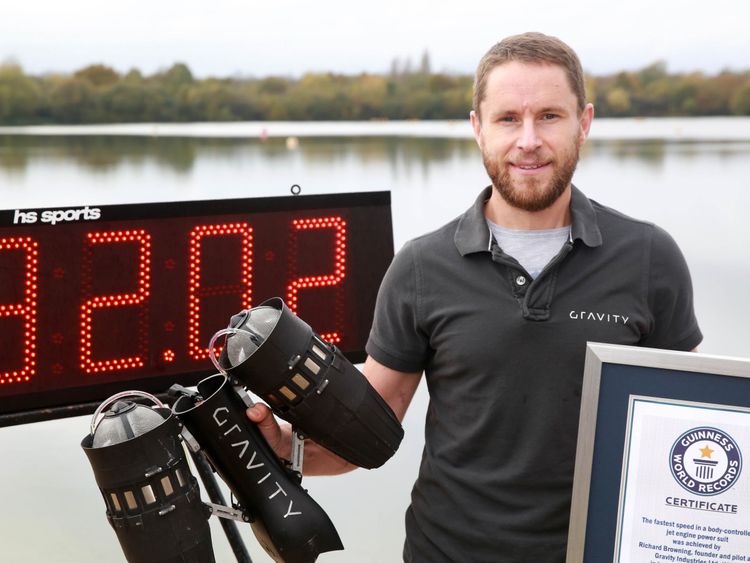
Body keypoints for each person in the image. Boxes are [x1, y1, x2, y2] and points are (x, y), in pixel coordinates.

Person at [248, 32, 702, 562]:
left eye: (550, 116)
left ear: (584, 123)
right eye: (508, 118)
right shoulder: (421, 267)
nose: (528, 140)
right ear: (477, 129)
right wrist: (287, 448)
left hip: (601, 550)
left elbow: (693, 425)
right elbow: (367, 429)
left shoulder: (649, 257)